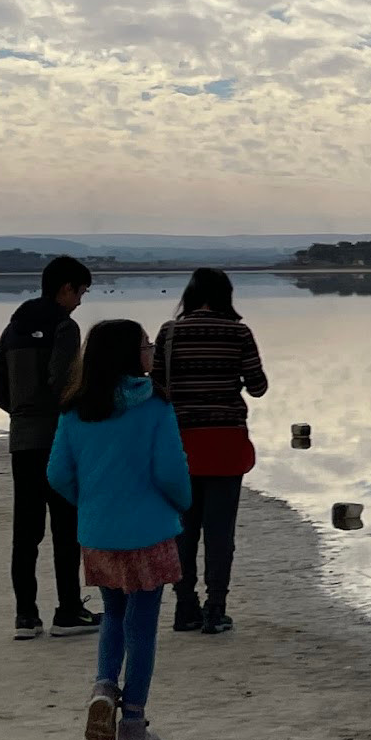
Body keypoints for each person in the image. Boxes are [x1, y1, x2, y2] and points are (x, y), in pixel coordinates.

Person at [46, 319, 190, 740]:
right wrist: (181, 503)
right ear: (132, 354)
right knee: (142, 626)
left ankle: (104, 686)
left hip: (99, 532)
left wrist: (92, 502)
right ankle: (132, 724)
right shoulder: (154, 405)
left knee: (113, 613)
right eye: (146, 344)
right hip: (149, 531)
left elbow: (57, 474)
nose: (151, 351)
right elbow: (171, 472)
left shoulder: (75, 408)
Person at [0, 256, 100, 640]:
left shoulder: (13, 328)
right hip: (59, 440)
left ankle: (25, 616)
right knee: (66, 528)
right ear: (65, 289)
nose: (81, 301)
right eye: (81, 292)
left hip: (23, 441)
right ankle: (68, 611)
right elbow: (62, 382)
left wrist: (21, 412)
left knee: (26, 530)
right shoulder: (65, 328)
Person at [151, 268, 268, 634]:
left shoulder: (169, 333)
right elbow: (258, 386)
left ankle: (185, 607)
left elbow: (155, 385)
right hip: (225, 442)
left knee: (181, 530)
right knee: (220, 532)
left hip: (179, 442)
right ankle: (216, 609)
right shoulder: (239, 332)